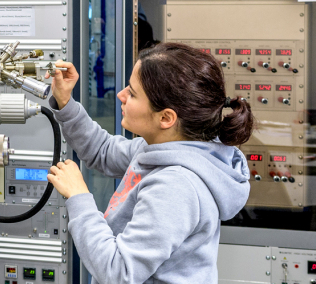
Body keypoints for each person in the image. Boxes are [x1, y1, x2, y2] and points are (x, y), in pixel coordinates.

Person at [45, 42, 253, 283]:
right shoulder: (162, 147)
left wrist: (79, 197)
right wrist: (65, 103)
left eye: (132, 93)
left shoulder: (175, 187)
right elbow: (103, 150)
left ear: (166, 118)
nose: (121, 95)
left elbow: (119, 272)